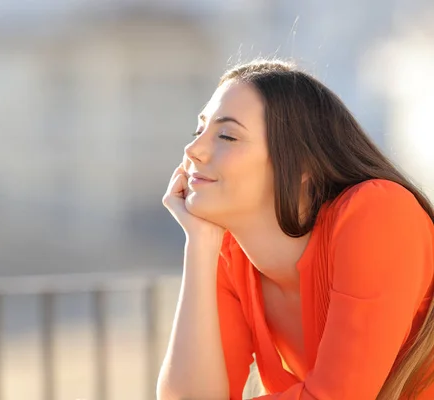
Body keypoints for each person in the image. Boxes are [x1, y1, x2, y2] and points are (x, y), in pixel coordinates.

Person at [157, 59, 434, 400]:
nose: (193, 151)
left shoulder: (378, 211)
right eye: (199, 132)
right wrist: (199, 241)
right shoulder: (229, 252)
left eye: (227, 136)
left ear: (301, 164)